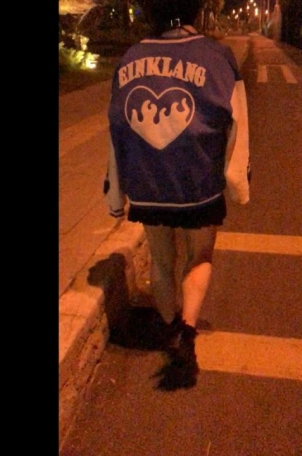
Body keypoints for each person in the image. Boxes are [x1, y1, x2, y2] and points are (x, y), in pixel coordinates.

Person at [103, 0, 250, 389]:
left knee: (161, 260)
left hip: (149, 186)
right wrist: (237, 182)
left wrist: (116, 194)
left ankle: (169, 325)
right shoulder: (217, 57)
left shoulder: (130, 58)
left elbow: (116, 127)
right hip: (198, 183)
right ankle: (187, 329)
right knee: (199, 256)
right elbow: (237, 126)